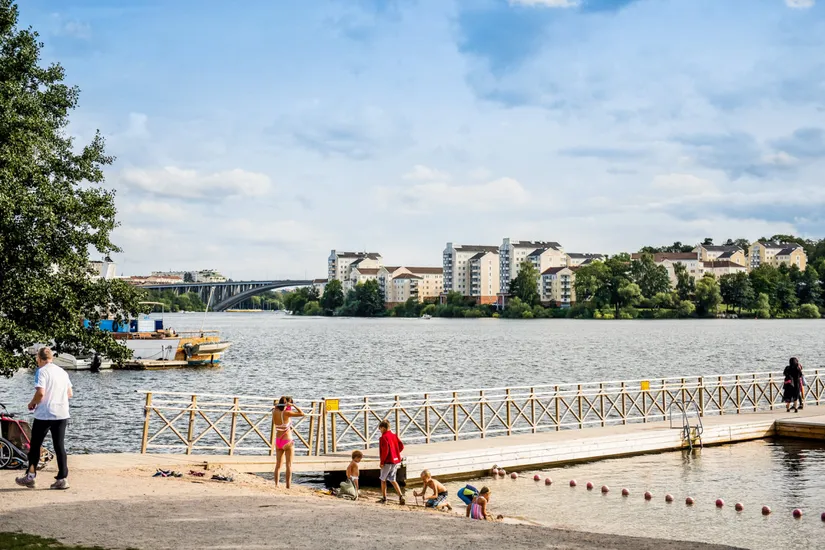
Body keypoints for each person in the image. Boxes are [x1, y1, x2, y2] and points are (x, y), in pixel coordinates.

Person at [16, 347, 73, 490]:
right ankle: (62, 478)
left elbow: (40, 393)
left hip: (44, 414)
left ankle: (30, 477)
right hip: (61, 413)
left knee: (35, 446)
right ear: (51, 358)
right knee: (59, 446)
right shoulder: (62, 372)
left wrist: (32, 403)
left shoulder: (41, 371)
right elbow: (69, 393)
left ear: (39, 359)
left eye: (37, 360)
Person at [273, 396, 304, 489]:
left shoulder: (274, 411)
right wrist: (294, 406)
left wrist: (282, 405)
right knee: (289, 465)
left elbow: (277, 408)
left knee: (278, 464)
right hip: (287, 440)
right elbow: (302, 413)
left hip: (278, 440)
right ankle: (288, 486)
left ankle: (276, 484)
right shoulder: (287, 413)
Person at [378, 419, 405, 505]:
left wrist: (382, 462)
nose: (380, 431)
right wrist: (396, 453)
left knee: (383, 479)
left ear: (383, 428)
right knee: (393, 479)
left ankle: (384, 498)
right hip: (395, 461)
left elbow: (385, 451)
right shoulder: (394, 435)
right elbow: (401, 446)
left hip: (387, 461)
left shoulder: (383, 438)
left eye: (380, 429)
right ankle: (401, 496)